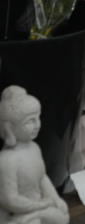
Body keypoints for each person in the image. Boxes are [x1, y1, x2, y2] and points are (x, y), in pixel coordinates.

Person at [0, 86, 69, 224]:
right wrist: (41, 205)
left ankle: (38, 215)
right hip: (14, 213)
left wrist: (55, 199)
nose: (37, 124)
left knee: (63, 216)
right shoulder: (7, 160)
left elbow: (42, 178)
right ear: (9, 128)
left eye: (38, 118)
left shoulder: (34, 148)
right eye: (30, 121)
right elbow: (9, 200)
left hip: (38, 205)